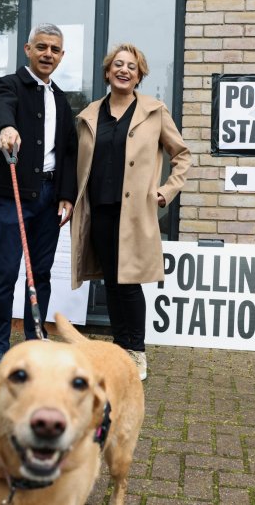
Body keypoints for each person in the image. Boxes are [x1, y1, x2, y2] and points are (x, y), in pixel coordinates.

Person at [70, 44, 192, 380]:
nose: (125, 71)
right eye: (118, 65)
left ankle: (136, 352)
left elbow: (182, 155)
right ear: (108, 72)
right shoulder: (90, 114)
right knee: (111, 282)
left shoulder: (154, 111)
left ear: (139, 76)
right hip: (100, 211)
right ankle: (119, 348)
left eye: (132, 67)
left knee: (130, 283)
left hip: (135, 213)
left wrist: (165, 192)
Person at [0, 23, 78, 370]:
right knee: (6, 271)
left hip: (51, 197)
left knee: (40, 273)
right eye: (41, 47)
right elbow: (1, 108)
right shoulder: (9, 84)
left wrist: (67, 195)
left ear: (61, 55)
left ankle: (36, 343)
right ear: (28, 49)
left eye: (54, 49)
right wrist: (5, 129)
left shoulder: (62, 99)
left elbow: (69, 152)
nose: (47, 54)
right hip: (13, 194)